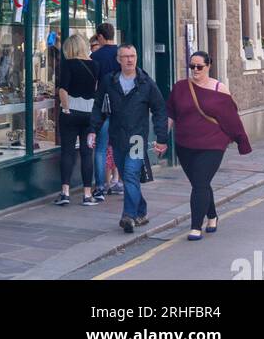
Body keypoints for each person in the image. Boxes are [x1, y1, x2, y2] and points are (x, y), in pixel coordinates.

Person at [166, 50, 252, 241]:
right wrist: (163, 139)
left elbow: (231, 118)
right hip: (185, 144)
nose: (195, 70)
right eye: (192, 66)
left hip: (213, 144)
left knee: (200, 183)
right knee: (200, 183)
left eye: (199, 67)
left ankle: (196, 227)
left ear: (208, 66)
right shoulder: (180, 87)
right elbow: (170, 113)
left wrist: (242, 140)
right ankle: (212, 215)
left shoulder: (219, 89)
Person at [89, 43, 167, 234]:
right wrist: (93, 129)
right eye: (125, 56)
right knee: (126, 176)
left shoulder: (146, 83)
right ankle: (141, 210)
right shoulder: (109, 81)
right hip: (117, 137)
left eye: (132, 56)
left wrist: (161, 137)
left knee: (131, 175)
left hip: (137, 138)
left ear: (136, 58)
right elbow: (98, 106)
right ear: (118, 60)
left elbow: (159, 110)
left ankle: (128, 216)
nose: (129, 60)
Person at [53, 33, 98, 207]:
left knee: (68, 152)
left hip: (70, 114)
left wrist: (66, 108)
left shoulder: (68, 64)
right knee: (87, 153)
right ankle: (87, 195)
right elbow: (96, 89)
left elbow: (63, 90)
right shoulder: (95, 65)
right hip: (89, 114)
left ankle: (65, 192)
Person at [90, 22, 121, 200]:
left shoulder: (96, 56)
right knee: (119, 146)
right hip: (121, 107)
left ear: (100, 37)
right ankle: (121, 182)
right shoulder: (122, 54)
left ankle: (100, 187)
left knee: (101, 149)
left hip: (101, 107)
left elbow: (92, 83)